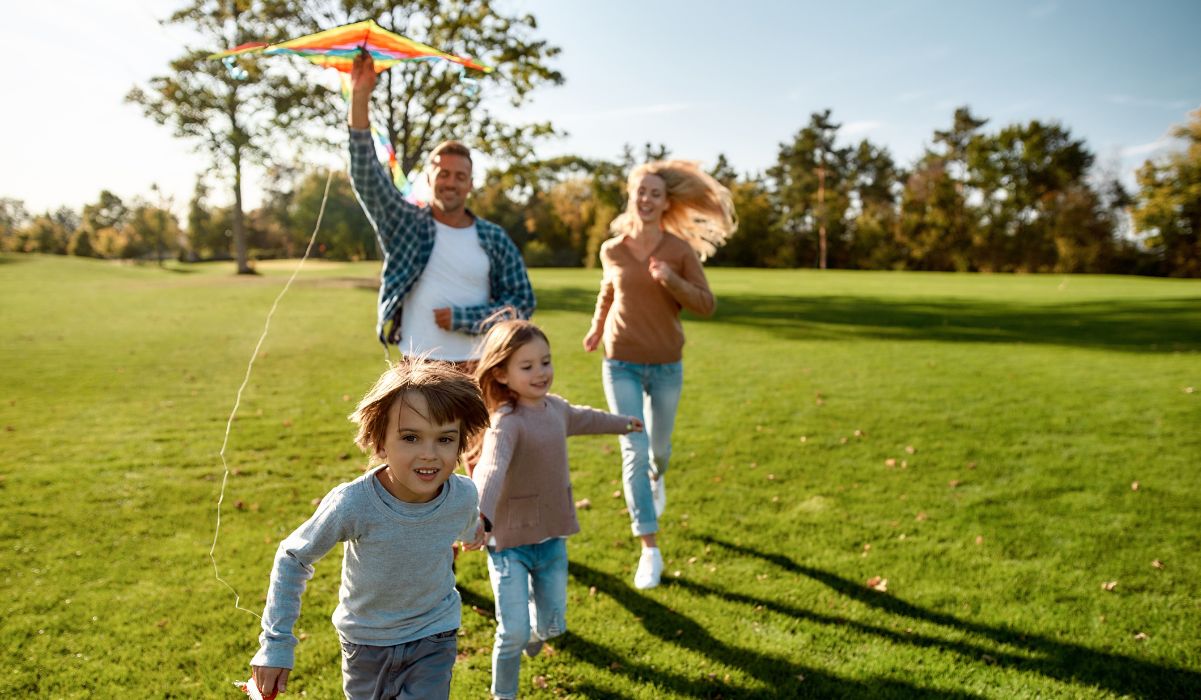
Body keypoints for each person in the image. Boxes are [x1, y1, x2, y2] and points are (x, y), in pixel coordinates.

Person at [248, 359, 490, 700]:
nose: (429, 454)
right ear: (380, 444)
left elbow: (467, 522)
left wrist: (475, 534)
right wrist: (275, 644)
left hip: (435, 633)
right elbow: (293, 557)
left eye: (445, 439)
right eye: (410, 437)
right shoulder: (353, 504)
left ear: (460, 444)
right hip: (366, 643)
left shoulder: (463, 494)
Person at [582, 160, 736, 590]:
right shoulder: (611, 249)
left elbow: (706, 303)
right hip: (621, 363)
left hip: (667, 365)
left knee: (658, 451)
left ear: (666, 203)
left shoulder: (678, 251)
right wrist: (597, 327)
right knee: (633, 448)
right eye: (640, 192)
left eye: (655, 194)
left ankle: (658, 474)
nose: (646, 200)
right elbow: (608, 290)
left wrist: (672, 281)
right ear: (631, 197)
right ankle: (649, 548)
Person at [471, 319, 642, 699]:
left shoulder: (557, 408)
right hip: (509, 543)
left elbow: (587, 418)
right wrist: (480, 517)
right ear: (501, 373)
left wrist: (622, 424)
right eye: (527, 366)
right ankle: (504, 694)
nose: (540, 373)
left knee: (551, 627)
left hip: (551, 539)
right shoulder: (506, 424)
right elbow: (490, 469)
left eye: (545, 362)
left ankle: (537, 628)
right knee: (511, 632)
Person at [348, 52, 535, 369]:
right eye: (443, 174)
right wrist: (360, 95)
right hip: (418, 367)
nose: (451, 182)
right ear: (429, 179)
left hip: (482, 366)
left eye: (460, 176)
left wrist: (466, 319)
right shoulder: (406, 223)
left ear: (470, 185)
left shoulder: (492, 237)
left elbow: (523, 301)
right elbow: (366, 173)